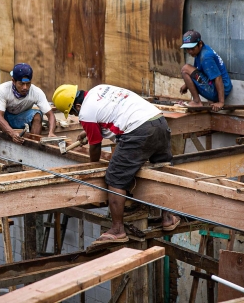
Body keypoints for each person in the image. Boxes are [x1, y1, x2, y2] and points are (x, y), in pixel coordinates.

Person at [52, 84, 180, 245]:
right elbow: (113, 112)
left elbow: (96, 145)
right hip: (158, 122)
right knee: (161, 168)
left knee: (115, 179)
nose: (76, 116)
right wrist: (88, 130)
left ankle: (118, 229)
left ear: (77, 106)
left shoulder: (85, 112)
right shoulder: (98, 90)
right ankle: (168, 217)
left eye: (72, 112)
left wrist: (92, 167)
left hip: (138, 131)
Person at [0, 63, 57, 144]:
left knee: (37, 115)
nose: (25, 87)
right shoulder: (3, 89)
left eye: (28, 84)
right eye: (21, 83)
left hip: (21, 119)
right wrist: (12, 133)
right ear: (13, 81)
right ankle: (2, 126)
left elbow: (50, 115)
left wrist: (51, 132)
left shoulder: (37, 92)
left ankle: (33, 144)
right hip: (5, 116)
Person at [179, 30, 232, 112]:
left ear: (200, 44)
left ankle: (197, 102)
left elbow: (218, 78)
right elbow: (198, 72)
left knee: (185, 69)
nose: (190, 52)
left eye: (192, 48)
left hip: (220, 91)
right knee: (187, 69)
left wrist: (221, 102)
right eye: (187, 49)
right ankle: (197, 101)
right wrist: (186, 85)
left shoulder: (206, 57)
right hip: (218, 87)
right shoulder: (201, 50)